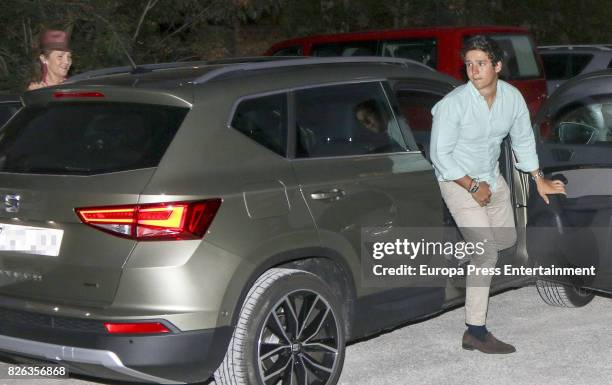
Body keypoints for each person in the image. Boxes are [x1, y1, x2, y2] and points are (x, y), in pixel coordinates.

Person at [429, 36, 566, 354]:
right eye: (469, 64)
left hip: (491, 179)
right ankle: (475, 332)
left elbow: (522, 141)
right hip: (457, 181)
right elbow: (440, 156)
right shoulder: (454, 104)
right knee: (487, 253)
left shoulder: (512, 98)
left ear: (497, 66)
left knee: (505, 241)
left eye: (481, 63)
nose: (473, 70)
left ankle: (461, 253)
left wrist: (538, 179)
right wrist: (473, 187)